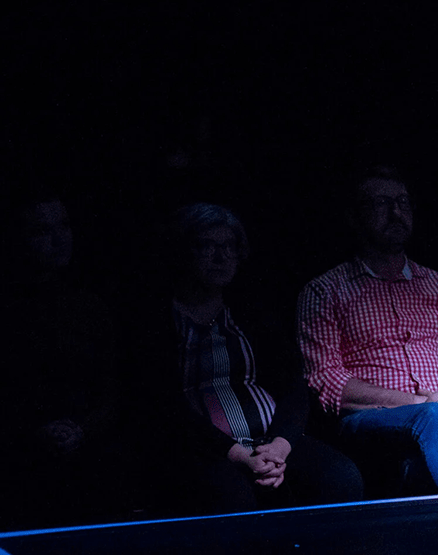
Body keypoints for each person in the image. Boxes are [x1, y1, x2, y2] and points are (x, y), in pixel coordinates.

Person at [142, 203, 363, 514]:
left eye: (228, 246)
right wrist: (238, 454)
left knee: (341, 477)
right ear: (184, 251)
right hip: (207, 449)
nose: (221, 257)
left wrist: (279, 447)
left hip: (272, 441)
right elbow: (163, 405)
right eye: (207, 246)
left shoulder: (252, 314)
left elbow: (293, 387)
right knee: (231, 497)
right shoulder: (158, 321)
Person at [297, 166, 438, 496]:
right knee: (432, 418)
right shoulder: (325, 291)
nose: (396, 211)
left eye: (403, 202)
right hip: (370, 423)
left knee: (425, 458)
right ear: (353, 216)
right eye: (381, 203)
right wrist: (426, 404)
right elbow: (327, 382)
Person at [0, 189, 129, 529]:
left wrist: (82, 430)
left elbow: (113, 388)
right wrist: (34, 432)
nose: (59, 239)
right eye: (42, 231)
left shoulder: (90, 306)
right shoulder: (11, 310)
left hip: (90, 448)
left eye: (64, 226)